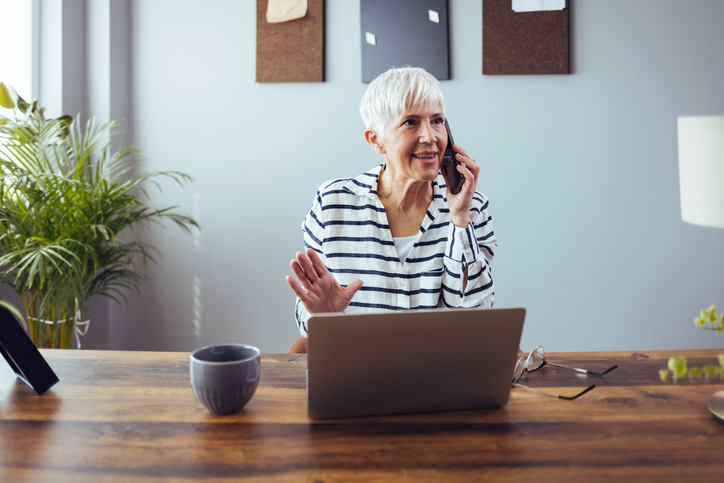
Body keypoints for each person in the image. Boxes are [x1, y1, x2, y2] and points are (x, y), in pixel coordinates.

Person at [286, 67, 497, 345]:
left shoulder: (471, 206)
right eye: (411, 122)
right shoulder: (333, 204)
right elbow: (309, 322)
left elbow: (477, 316)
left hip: (441, 373)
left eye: (437, 120)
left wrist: (459, 218)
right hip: (357, 370)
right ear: (376, 141)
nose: (430, 137)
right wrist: (323, 318)